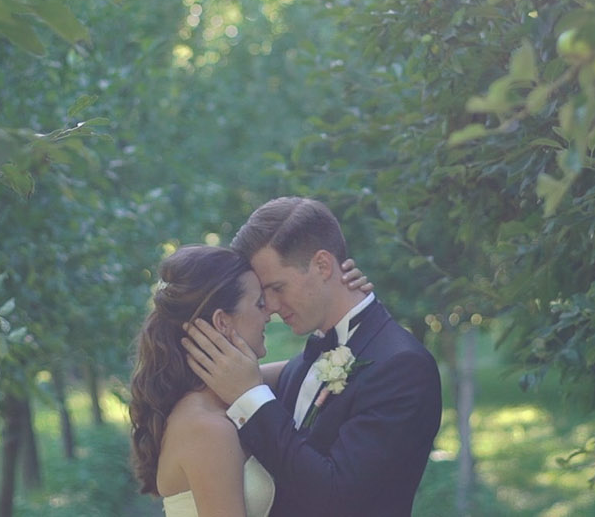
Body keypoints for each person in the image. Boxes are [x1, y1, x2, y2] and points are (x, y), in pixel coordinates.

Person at [182, 197, 442, 517]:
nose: (272, 306)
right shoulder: (310, 359)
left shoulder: (402, 366)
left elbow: (336, 497)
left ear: (322, 265)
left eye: (277, 287)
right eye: (265, 295)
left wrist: (248, 396)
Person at [129, 243, 372, 517]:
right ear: (223, 322)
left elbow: (311, 368)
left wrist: (343, 300)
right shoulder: (207, 427)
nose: (270, 314)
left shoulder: (223, 395)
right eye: (259, 304)